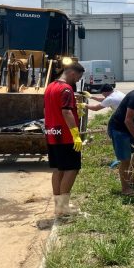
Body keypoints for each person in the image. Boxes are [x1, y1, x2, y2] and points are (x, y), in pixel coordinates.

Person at [44, 62, 85, 217]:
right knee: (71, 169)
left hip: (52, 133)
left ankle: (59, 206)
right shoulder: (66, 89)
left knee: (59, 169)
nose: (76, 81)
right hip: (66, 137)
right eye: (78, 78)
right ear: (73, 73)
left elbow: (48, 109)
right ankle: (64, 207)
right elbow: (66, 112)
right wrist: (76, 135)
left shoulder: (50, 87)